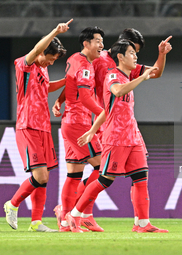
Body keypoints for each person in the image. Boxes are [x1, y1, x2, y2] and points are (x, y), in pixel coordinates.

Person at [52, 28, 172, 232]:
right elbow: (82, 83)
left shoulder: (126, 69)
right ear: (123, 50)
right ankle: (73, 213)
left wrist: (162, 54)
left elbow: (156, 72)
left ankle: (141, 223)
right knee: (100, 175)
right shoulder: (102, 65)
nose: (136, 56)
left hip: (125, 128)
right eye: (133, 51)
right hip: (106, 126)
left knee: (139, 176)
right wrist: (64, 101)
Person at [3, 19, 72, 232]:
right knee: (39, 176)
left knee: (45, 177)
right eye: (50, 59)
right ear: (42, 53)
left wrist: (68, 80)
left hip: (43, 127)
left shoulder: (43, 70)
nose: (50, 63)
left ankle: (36, 222)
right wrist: (55, 31)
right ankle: (12, 204)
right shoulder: (25, 64)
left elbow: (46, 88)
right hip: (28, 126)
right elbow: (36, 49)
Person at [55, 27, 105, 232]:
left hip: (69, 122)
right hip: (79, 124)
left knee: (74, 174)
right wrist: (105, 113)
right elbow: (84, 97)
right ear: (86, 43)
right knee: (104, 168)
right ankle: (76, 212)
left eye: (102, 41)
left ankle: (65, 221)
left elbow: (69, 85)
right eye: (98, 41)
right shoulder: (85, 64)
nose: (101, 45)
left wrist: (59, 100)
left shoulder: (74, 59)